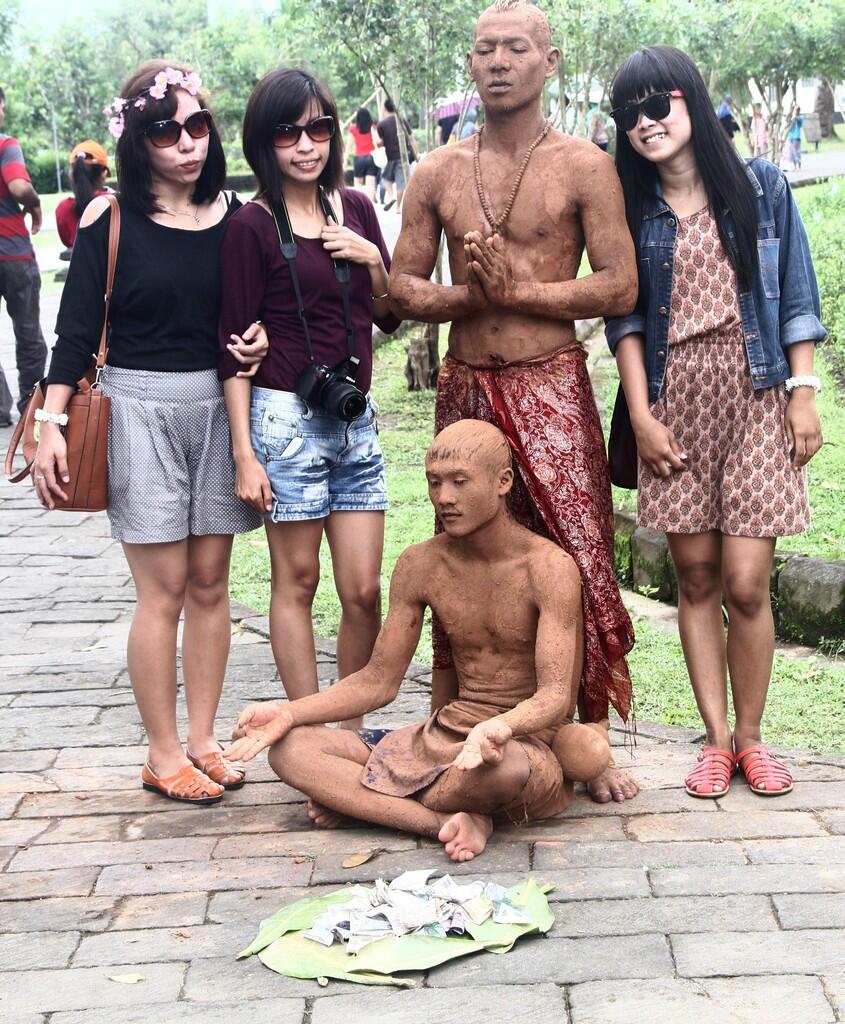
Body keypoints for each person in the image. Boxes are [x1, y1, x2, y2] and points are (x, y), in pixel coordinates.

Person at [388, 0, 640, 803]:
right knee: (464, 553)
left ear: (548, 62)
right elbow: (399, 286)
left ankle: (587, 735)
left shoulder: (583, 165)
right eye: (485, 49)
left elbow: (619, 284)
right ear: (470, 64)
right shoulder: (435, 171)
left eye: (516, 48)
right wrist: (469, 297)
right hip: (466, 385)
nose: (498, 61)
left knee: (577, 554)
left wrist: (520, 291)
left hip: (550, 380)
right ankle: (454, 723)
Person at [32, 60, 269, 804]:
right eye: (166, 132)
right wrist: (50, 424)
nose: (187, 143)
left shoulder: (236, 215)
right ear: (138, 142)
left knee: (211, 585)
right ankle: (162, 754)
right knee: (163, 590)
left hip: (220, 408)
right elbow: (74, 335)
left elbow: (256, 310)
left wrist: (262, 338)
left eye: (197, 126)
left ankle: (203, 741)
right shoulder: (110, 219)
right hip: (138, 410)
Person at [223, 421, 612, 861]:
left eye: (460, 482)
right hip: (438, 738)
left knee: (500, 770)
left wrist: (499, 727)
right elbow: (378, 680)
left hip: (521, 745)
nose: (444, 497)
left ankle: (367, 804)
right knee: (290, 750)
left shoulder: (548, 567)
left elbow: (556, 697)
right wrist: (288, 712)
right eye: (434, 482)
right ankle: (443, 822)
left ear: (503, 482)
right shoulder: (420, 563)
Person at [605, 45, 825, 798]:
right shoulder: (631, 209)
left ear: (690, 100)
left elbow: (797, 295)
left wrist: (803, 391)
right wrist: (641, 415)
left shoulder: (760, 186)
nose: (645, 123)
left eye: (656, 104)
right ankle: (717, 740)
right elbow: (626, 321)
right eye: (629, 114)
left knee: (745, 583)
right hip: (675, 402)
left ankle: (754, 739)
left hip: (756, 394)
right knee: (694, 578)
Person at [218, 68, 401, 758]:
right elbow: (234, 349)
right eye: (288, 131)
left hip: (354, 418)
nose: (306, 144)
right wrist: (244, 454)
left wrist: (373, 263)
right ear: (264, 142)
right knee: (297, 582)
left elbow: (389, 315)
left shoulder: (354, 207)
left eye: (318, 128)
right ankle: (306, 735)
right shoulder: (251, 226)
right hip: (283, 420)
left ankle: (348, 733)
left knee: (363, 589)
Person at [0, 86, 47, 427]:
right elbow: (18, 187)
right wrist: (34, 202)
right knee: (28, 332)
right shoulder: (6, 145)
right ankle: (31, 403)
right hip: (13, 254)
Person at [55, 141, 112, 250]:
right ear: (103, 174)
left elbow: (67, 243)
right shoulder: (114, 204)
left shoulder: (63, 209)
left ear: (72, 175)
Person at [377, 98, 419, 213]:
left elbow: (379, 143)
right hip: (403, 156)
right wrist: (416, 153)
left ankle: (392, 197)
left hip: (390, 157)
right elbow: (411, 138)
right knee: (401, 183)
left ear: (385, 108)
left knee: (386, 179)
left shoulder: (382, 124)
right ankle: (398, 208)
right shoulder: (402, 120)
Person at [347, 107, 379, 201]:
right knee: (371, 184)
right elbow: (377, 141)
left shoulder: (353, 128)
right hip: (371, 157)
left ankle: (360, 203)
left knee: (358, 183)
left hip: (359, 158)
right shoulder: (372, 127)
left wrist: (345, 159)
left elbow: (349, 145)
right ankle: (370, 204)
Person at [787, 106, 804, 171]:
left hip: (796, 137)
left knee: (796, 151)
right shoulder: (790, 117)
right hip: (790, 137)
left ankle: (798, 165)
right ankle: (794, 166)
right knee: (792, 152)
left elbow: (799, 121)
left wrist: (794, 115)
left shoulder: (799, 117)